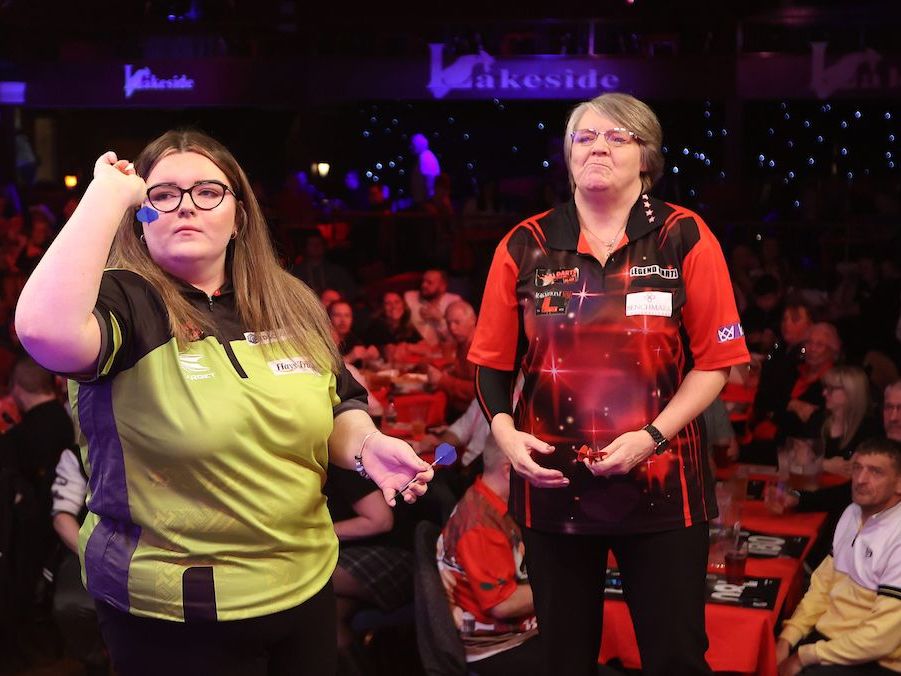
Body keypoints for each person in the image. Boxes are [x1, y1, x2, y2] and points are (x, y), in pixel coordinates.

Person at [13, 130, 433, 676]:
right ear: (140, 214)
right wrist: (105, 194)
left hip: (302, 583)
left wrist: (367, 446)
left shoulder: (289, 299)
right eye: (163, 194)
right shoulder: (126, 300)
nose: (186, 204)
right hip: (175, 610)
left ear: (239, 213)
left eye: (208, 191)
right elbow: (42, 330)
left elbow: (338, 403)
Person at [468, 92, 750, 676]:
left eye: (617, 137)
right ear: (567, 155)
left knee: (675, 657)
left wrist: (651, 435)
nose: (598, 146)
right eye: (584, 136)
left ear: (647, 158)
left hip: (664, 482)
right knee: (565, 657)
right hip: (552, 481)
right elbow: (491, 363)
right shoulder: (526, 244)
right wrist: (504, 432)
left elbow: (716, 362)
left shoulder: (684, 235)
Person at [776, 438, 901, 676]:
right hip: (833, 641)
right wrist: (787, 638)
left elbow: (880, 638)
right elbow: (823, 586)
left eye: (875, 471)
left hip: (878, 660)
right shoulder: (852, 512)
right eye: (857, 468)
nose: (861, 479)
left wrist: (804, 656)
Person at [437, 443, 540, 674]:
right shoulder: (480, 524)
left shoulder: (495, 502)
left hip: (517, 634)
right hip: (500, 646)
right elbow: (503, 604)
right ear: (508, 469)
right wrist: (569, 587)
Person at [427, 300, 477, 418]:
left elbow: (478, 391)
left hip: (472, 417)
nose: (452, 328)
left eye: (457, 322)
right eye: (448, 323)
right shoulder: (463, 343)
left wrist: (443, 381)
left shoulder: (477, 348)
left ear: (473, 320)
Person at [403, 269, 462, 345]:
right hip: (413, 349)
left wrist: (440, 320)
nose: (423, 285)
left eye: (429, 283)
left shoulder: (454, 302)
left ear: (442, 286)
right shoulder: (410, 297)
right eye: (423, 281)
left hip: (442, 352)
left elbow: (458, 338)